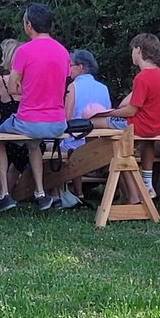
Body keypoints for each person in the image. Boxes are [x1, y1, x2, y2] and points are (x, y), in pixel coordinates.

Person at [0, 4, 68, 215]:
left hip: (31, 120)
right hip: (58, 122)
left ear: (28, 25)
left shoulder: (24, 51)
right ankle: (41, 194)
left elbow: (14, 86)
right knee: (33, 145)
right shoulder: (63, 51)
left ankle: (3, 194)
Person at [91, 33, 160, 201]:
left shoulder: (143, 77)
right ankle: (144, 186)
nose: (131, 54)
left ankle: (98, 168)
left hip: (139, 125)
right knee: (127, 148)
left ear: (139, 50)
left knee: (95, 122)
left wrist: (107, 112)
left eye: (133, 50)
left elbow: (130, 111)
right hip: (156, 127)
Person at [60, 49, 112, 203]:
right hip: (98, 143)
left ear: (81, 67)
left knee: (54, 146)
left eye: (71, 65)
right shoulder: (103, 88)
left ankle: (76, 191)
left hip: (76, 142)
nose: (68, 68)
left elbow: (66, 118)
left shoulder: (73, 87)